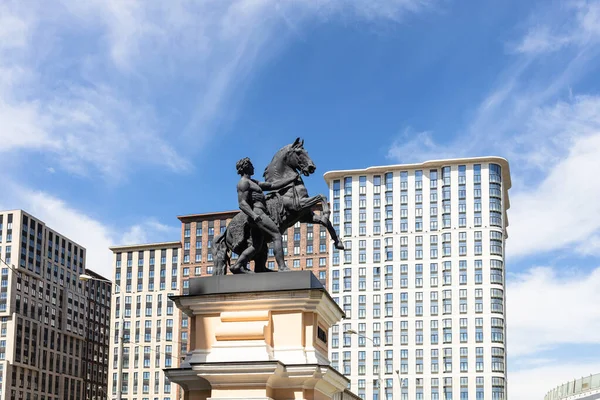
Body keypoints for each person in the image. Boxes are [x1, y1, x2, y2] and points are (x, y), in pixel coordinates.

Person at [232, 157, 298, 273]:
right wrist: (253, 215)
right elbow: (242, 203)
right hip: (257, 214)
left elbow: (272, 186)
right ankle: (282, 267)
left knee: (256, 246)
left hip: (258, 214)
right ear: (246, 167)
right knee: (276, 235)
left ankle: (237, 265)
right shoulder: (243, 183)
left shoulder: (253, 182)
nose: (254, 168)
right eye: (252, 166)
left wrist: (290, 179)